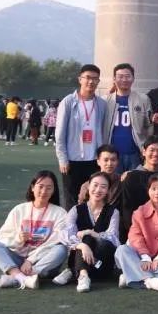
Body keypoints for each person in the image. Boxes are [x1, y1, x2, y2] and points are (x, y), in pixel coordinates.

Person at [0, 171, 68, 289]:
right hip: (18, 259)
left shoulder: (60, 213)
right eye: (40, 186)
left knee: (61, 249)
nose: (44, 191)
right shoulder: (19, 210)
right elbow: (2, 237)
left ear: (54, 191)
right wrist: (18, 239)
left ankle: (20, 277)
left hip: (42, 262)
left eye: (49, 188)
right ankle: (22, 278)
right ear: (33, 187)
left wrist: (30, 261)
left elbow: (54, 242)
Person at [56, 64, 110, 208]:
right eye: (87, 78)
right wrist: (62, 158)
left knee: (94, 198)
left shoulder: (102, 104)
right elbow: (60, 133)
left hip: (94, 160)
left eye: (95, 79)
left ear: (98, 81)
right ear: (80, 79)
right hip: (72, 160)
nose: (91, 81)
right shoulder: (68, 102)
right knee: (72, 200)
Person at [57, 172, 120, 292]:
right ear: (88, 186)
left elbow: (113, 238)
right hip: (84, 258)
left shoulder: (113, 212)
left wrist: (92, 233)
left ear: (108, 190)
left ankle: (73, 271)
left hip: (102, 264)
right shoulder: (76, 210)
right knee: (85, 240)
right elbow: (66, 234)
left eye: (103, 187)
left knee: (89, 236)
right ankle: (83, 275)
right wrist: (83, 246)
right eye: (95, 185)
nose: (98, 190)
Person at [103, 63, 153, 172]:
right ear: (114, 79)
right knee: (113, 182)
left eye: (127, 76)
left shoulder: (143, 99)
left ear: (133, 78)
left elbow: (149, 125)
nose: (124, 80)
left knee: (135, 181)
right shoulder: (105, 100)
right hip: (111, 154)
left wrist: (146, 147)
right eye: (120, 76)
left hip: (135, 153)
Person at [118, 136, 158, 241]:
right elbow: (127, 208)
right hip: (137, 231)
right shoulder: (132, 177)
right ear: (144, 152)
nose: (155, 154)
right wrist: (136, 232)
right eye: (152, 150)